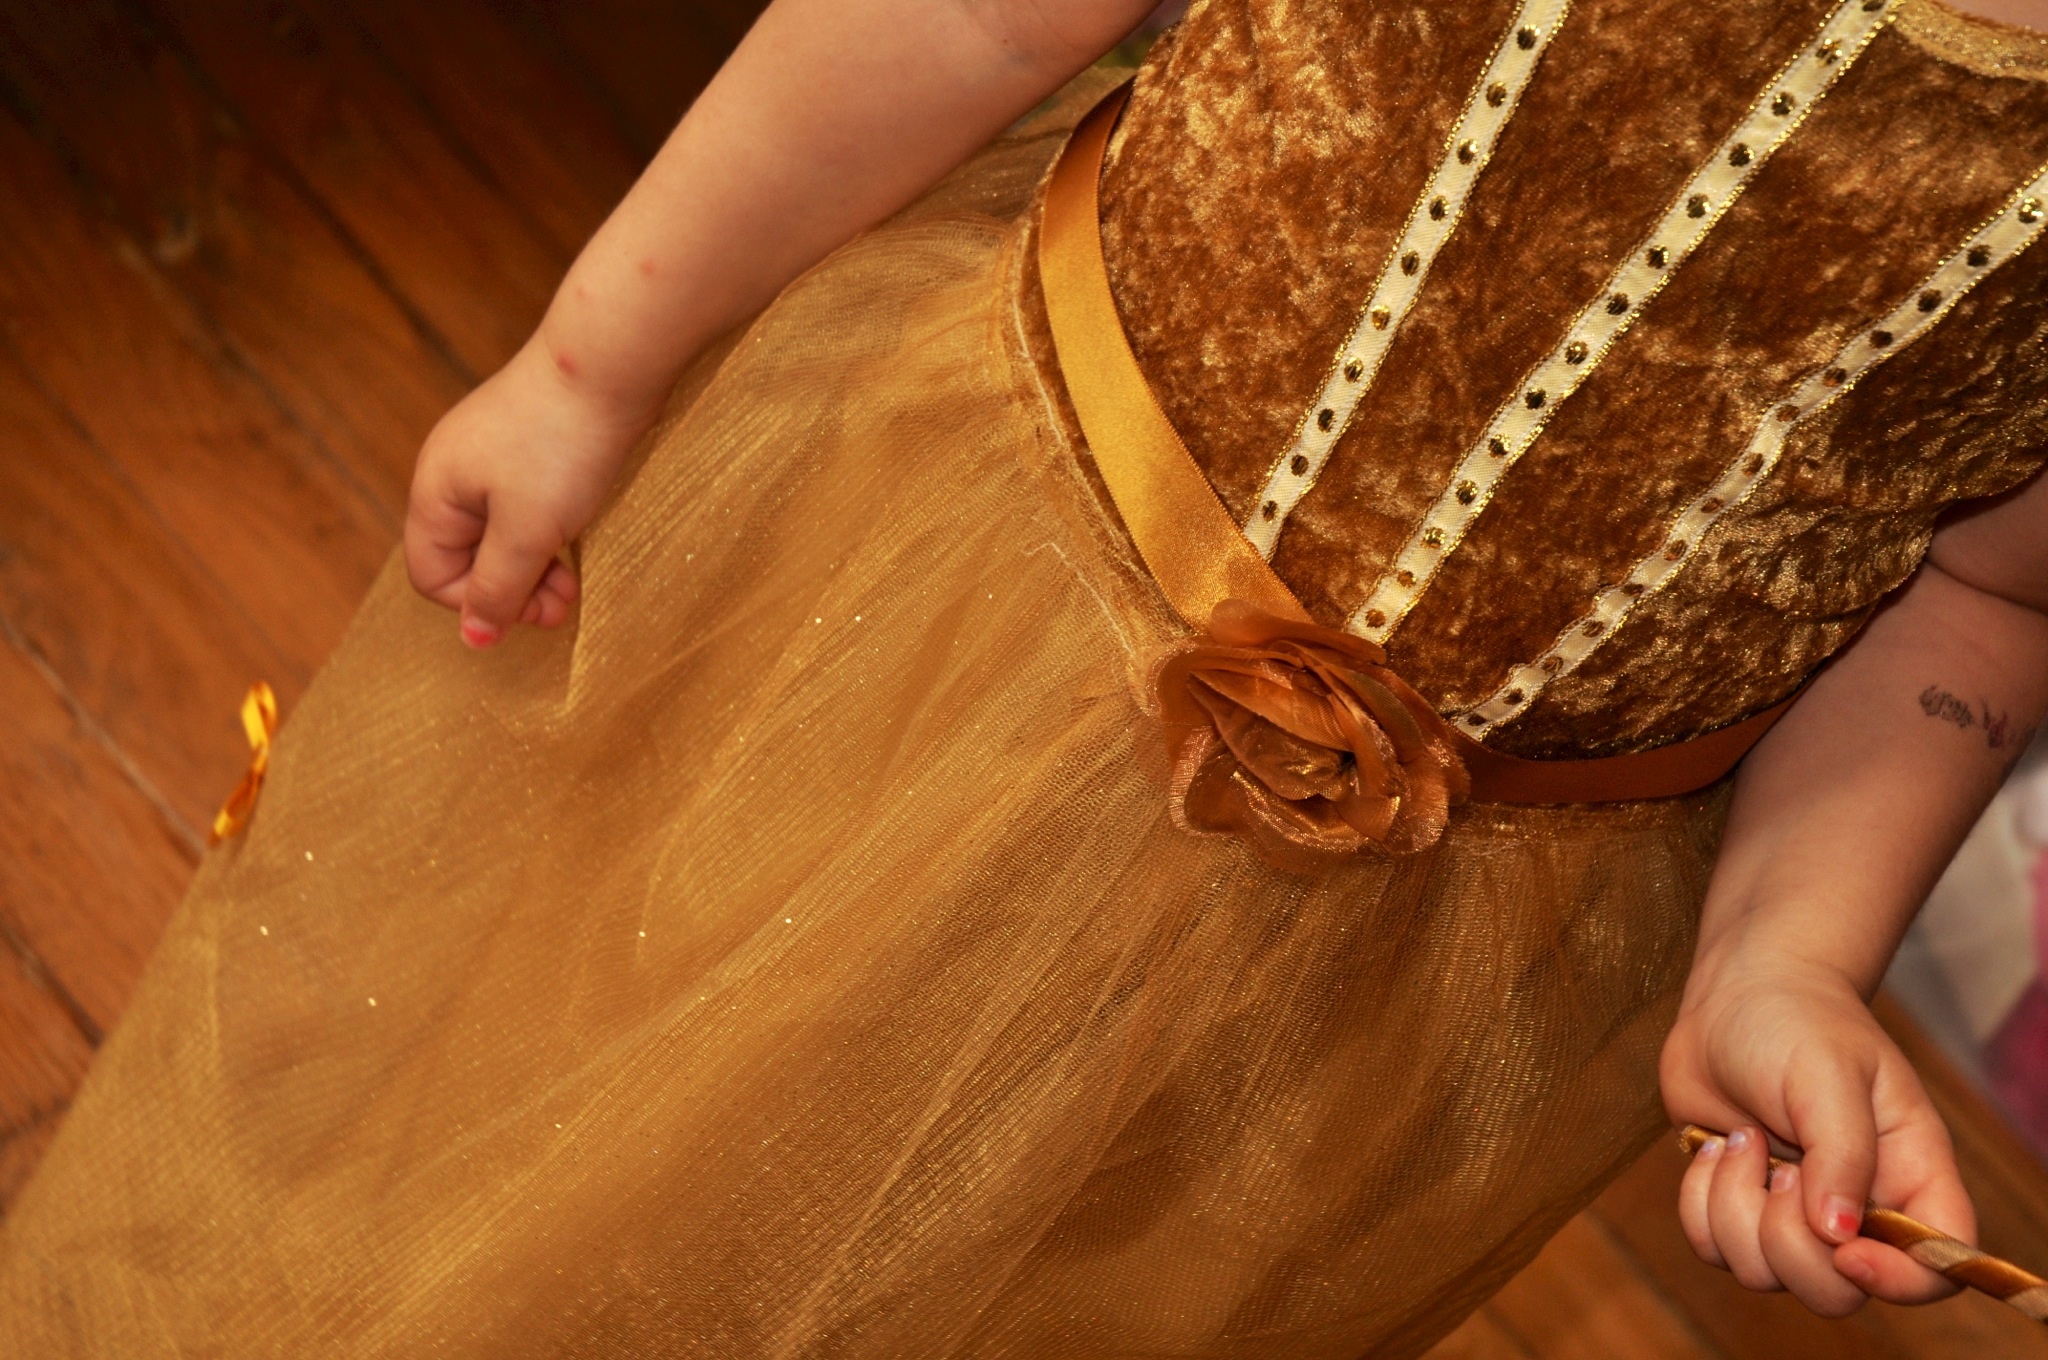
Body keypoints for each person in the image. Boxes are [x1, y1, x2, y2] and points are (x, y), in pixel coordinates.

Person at [6, 0, 2048, 1354]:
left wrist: (1786, 957)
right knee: (533, 1116)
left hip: (1422, 965)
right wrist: (589, 362)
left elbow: (1984, 587)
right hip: (939, 577)